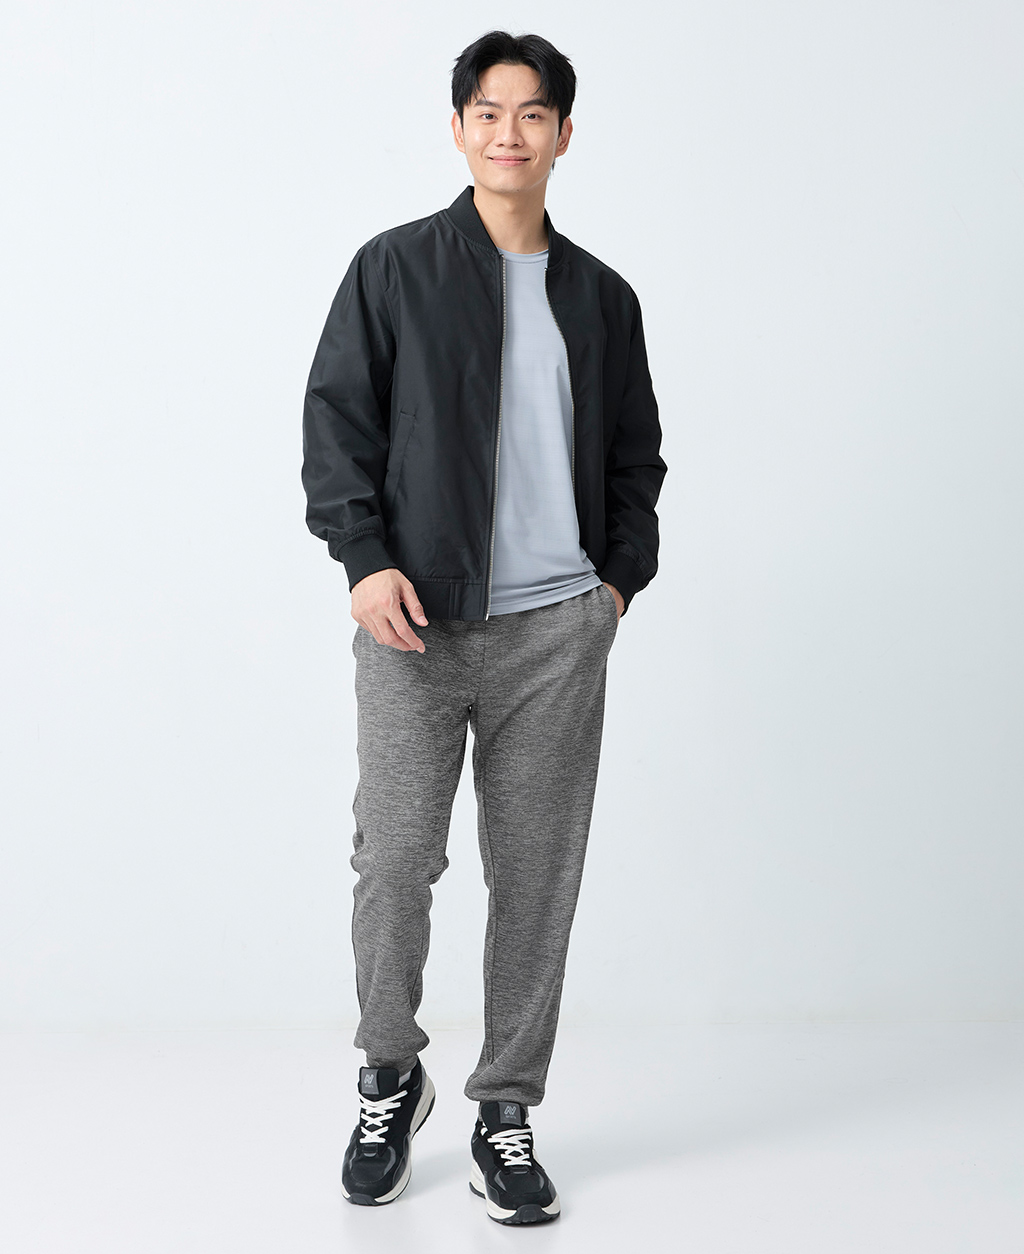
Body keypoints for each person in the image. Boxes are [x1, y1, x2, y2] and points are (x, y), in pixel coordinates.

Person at [301, 29, 667, 1226]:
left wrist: (614, 586)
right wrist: (363, 560)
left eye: (533, 113)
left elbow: (635, 459)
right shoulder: (394, 270)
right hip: (414, 626)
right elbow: (336, 426)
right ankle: (388, 1073)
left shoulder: (602, 298)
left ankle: (505, 1108)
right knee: (394, 864)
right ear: (458, 128)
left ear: (564, 135)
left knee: (536, 880)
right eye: (489, 112)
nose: (510, 133)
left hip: (557, 633)